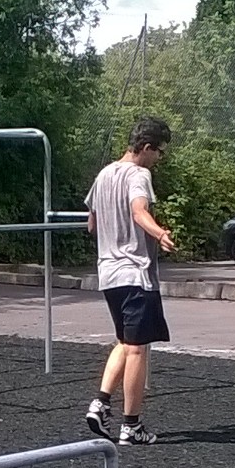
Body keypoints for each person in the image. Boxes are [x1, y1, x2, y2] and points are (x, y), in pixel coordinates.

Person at [82, 116, 175, 446]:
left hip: (108, 274)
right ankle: (132, 425)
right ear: (147, 148)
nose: (159, 159)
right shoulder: (139, 174)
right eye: (160, 152)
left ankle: (101, 403)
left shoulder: (104, 174)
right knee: (138, 350)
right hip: (134, 272)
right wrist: (159, 232)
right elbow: (138, 211)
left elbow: (92, 224)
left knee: (125, 341)